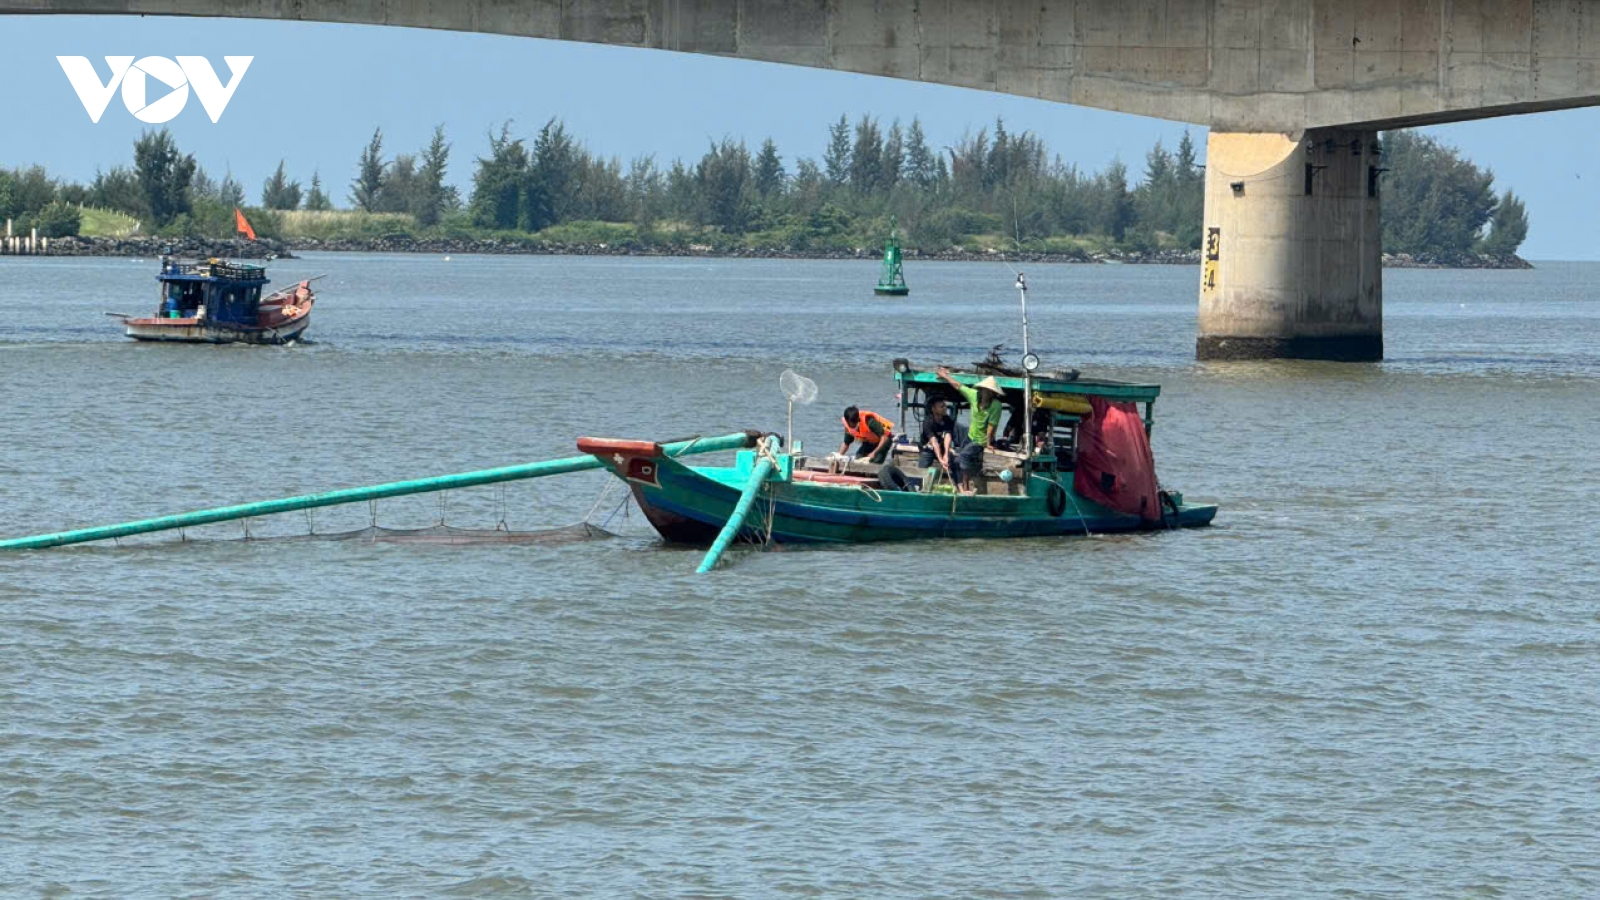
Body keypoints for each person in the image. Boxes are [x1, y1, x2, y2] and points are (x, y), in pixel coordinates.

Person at [937, 367, 1005, 494]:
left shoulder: (996, 405)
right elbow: (958, 386)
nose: (987, 394)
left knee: (964, 456)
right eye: (986, 391)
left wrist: (988, 443)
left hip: (982, 440)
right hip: (970, 435)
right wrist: (945, 376)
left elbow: (992, 426)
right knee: (957, 457)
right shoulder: (974, 395)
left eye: (990, 392)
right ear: (982, 390)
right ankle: (960, 485)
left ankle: (966, 487)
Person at [917, 396, 961, 488]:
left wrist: (945, 454)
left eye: (945, 406)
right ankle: (919, 487)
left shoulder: (947, 420)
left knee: (954, 462)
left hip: (941, 447)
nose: (944, 408)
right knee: (923, 465)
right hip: (928, 448)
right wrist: (940, 459)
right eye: (941, 406)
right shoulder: (928, 422)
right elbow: (934, 442)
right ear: (933, 409)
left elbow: (948, 437)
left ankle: (960, 488)